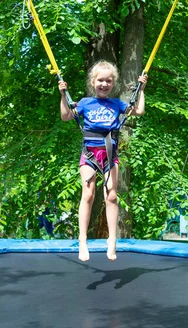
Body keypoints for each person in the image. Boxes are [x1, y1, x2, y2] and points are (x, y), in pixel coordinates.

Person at [58, 61, 147, 261]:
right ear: (93, 82)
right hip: (89, 154)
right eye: (100, 80)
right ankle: (82, 240)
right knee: (88, 193)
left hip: (109, 154)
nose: (104, 84)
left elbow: (139, 111)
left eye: (108, 81)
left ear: (113, 83)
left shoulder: (117, 104)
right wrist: (63, 95)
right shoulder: (84, 103)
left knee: (112, 196)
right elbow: (65, 116)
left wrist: (141, 90)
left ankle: (112, 240)